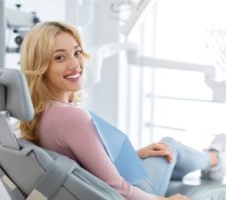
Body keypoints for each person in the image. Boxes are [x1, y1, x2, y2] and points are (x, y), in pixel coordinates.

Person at [19, 21, 226, 200]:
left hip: (95, 190)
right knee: (169, 146)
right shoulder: (71, 117)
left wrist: (136, 155)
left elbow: (81, 167)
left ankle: (211, 160)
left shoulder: (39, 113)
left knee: (161, 150)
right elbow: (117, 188)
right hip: (128, 194)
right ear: (41, 66)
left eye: (77, 52)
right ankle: (215, 159)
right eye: (60, 58)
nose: (75, 64)